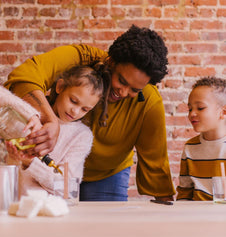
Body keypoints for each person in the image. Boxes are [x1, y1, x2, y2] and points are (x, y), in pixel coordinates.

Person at [4, 25, 175, 201]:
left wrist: (168, 212)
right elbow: (24, 77)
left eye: (134, 89)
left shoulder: (149, 101)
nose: (124, 92)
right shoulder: (79, 58)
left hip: (107, 175)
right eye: (121, 81)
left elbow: (156, 162)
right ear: (110, 61)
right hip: (50, 170)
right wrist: (50, 120)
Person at [5, 65, 108, 196]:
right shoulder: (31, 115)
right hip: (13, 205)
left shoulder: (81, 136)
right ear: (60, 87)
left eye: (85, 109)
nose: (75, 111)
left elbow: (68, 189)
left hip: (49, 210)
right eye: (73, 101)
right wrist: (15, 159)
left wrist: (31, 163)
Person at [176, 77, 226, 201]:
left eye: (200, 108)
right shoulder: (190, 147)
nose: (192, 114)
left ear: (223, 112)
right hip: (196, 216)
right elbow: (184, 193)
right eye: (190, 109)